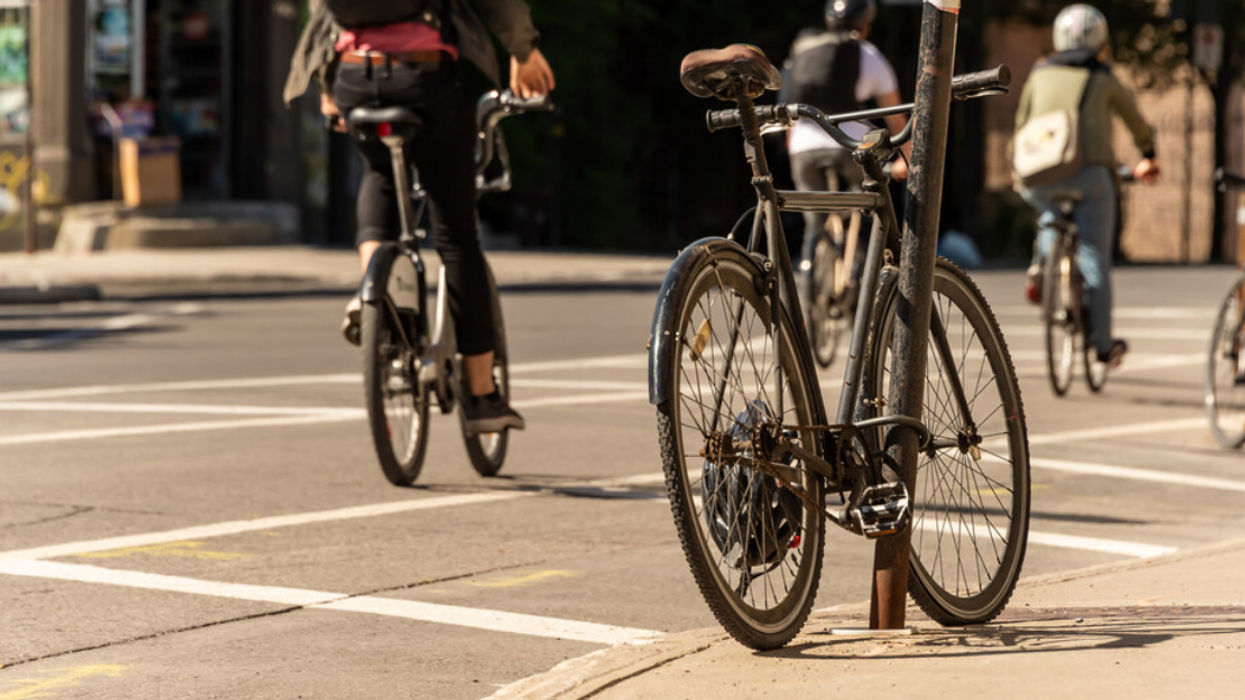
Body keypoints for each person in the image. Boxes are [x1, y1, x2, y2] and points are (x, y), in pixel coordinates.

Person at [284, 0, 555, 434]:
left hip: (354, 74)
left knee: (378, 174)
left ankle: (370, 292)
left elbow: (322, 10)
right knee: (456, 238)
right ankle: (483, 397)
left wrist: (327, 84)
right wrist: (524, 52)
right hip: (423, 79)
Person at [1016, 3, 1160, 368]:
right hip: (1091, 176)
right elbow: (1135, 121)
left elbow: (1021, 126)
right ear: (1102, 40)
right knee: (1094, 254)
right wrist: (1148, 155)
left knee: (1049, 211)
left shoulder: (1038, 75)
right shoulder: (1104, 77)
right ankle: (1103, 344)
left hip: (1038, 174)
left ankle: (1043, 261)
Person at [783, 0, 911, 267]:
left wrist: (794, 151)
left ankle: (811, 264)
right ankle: (861, 267)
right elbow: (896, 119)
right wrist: (906, 161)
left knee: (814, 220)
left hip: (802, 145)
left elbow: (788, 109)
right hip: (849, 146)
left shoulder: (804, 50)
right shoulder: (867, 54)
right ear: (866, 26)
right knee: (869, 201)